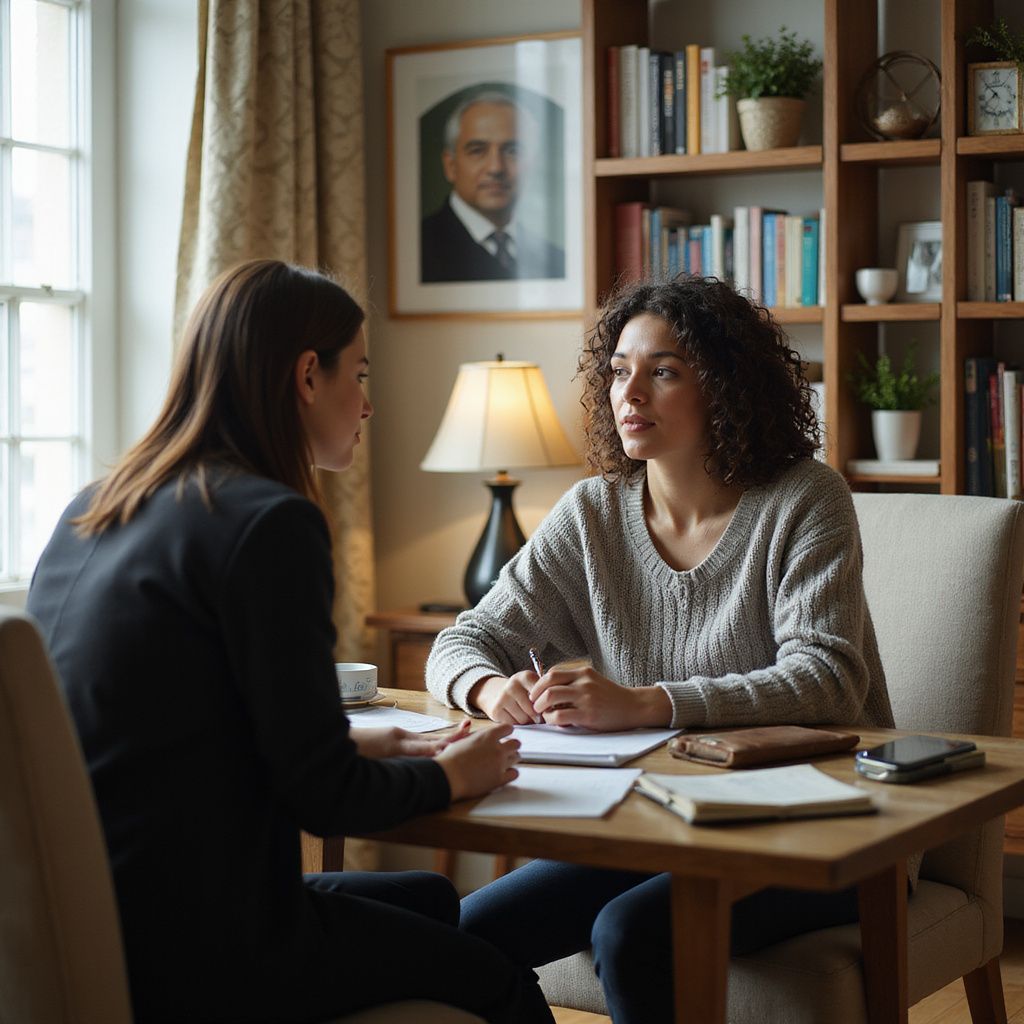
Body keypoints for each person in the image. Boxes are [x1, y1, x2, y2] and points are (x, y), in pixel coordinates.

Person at [26, 259, 555, 1024]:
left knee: (432, 895)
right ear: (309, 375)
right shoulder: (268, 524)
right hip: (206, 946)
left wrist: (355, 744)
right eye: (360, 374)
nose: (368, 404)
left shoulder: (94, 506)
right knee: (499, 972)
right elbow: (323, 795)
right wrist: (455, 777)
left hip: (95, 915)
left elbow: (167, 728)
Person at [425, 276, 896, 1023]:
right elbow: (463, 639)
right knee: (461, 941)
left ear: (726, 385)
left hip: (827, 825)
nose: (630, 393)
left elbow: (828, 678)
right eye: (618, 372)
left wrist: (647, 704)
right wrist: (488, 689)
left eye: (663, 370)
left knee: (632, 933)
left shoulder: (806, 498)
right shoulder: (592, 513)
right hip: (657, 821)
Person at [420, 91, 565, 283]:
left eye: (512, 151)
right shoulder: (418, 248)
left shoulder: (556, 258)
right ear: (450, 165)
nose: (496, 167)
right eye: (478, 150)